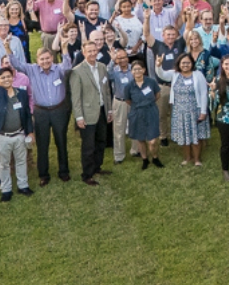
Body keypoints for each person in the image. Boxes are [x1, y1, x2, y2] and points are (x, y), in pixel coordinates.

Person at [13, 48, 72, 186]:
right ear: (37, 60)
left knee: (61, 141)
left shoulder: (59, 69)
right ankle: (44, 174)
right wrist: (8, 48)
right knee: (42, 144)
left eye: (47, 58)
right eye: (42, 59)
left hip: (58, 110)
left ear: (52, 58)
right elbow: (16, 64)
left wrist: (64, 49)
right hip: (41, 112)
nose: (45, 61)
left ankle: (64, 171)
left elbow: (68, 67)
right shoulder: (31, 70)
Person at [0, 64, 35, 202]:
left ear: (13, 78)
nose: (6, 79)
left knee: (21, 162)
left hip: (19, 134)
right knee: (4, 164)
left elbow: (27, 114)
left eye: (8, 76)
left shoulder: (21, 93)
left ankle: (23, 186)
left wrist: (30, 132)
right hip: (3, 136)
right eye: (2, 77)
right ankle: (6, 190)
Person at [69, 41, 113, 186]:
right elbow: (76, 97)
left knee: (101, 141)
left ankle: (97, 167)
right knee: (88, 145)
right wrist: (79, 117)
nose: (93, 53)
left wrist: (109, 109)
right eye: (89, 51)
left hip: (101, 110)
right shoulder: (77, 71)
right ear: (83, 52)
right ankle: (87, 174)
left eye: (95, 50)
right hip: (87, 113)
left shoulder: (102, 67)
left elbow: (106, 90)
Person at [169, 53, 210, 166]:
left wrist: (203, 111)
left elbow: (203, 94)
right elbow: (162, 74)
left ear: (192, 63)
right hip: (179, 111)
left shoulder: (198, 75)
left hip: (195, 111)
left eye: (188, 62)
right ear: (179, 64)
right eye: (183, 63)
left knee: (196, 136)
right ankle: (187, 157)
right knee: (184, 136)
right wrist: (158, 65)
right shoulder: (175, 74)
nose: (185, 65)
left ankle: (197, 159)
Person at [122, 62, 164, 170]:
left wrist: (148, 103)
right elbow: (128, 100)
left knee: (152, 140)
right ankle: (144, 159)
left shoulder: (151, 82)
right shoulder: (129, 86)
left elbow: (157, 95)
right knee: (140, 138)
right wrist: (139, 106)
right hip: (137, 113)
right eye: (134, 69)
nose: (137, 71)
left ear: (144, 70)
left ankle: (155, 157)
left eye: (139, 69)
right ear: (131, 72)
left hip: (151, 111)